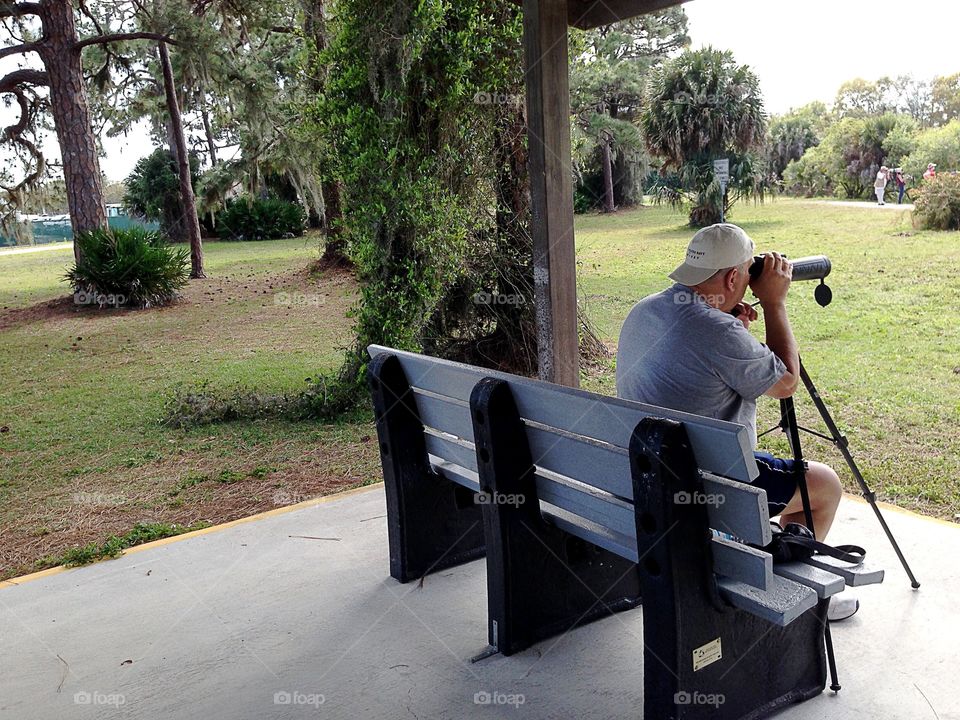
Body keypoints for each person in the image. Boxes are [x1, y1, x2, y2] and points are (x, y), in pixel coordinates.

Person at [616, 223, 858, 620]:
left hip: (642, 475)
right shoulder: (717, 330)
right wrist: (775, 304)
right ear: (732, 277)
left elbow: (699, 355)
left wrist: (732, 322)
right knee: (826, 486)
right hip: (704, 486)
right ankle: (802, 599)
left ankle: (766, 560)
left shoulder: (646, 309)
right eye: (748, 274)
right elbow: (785, 384)